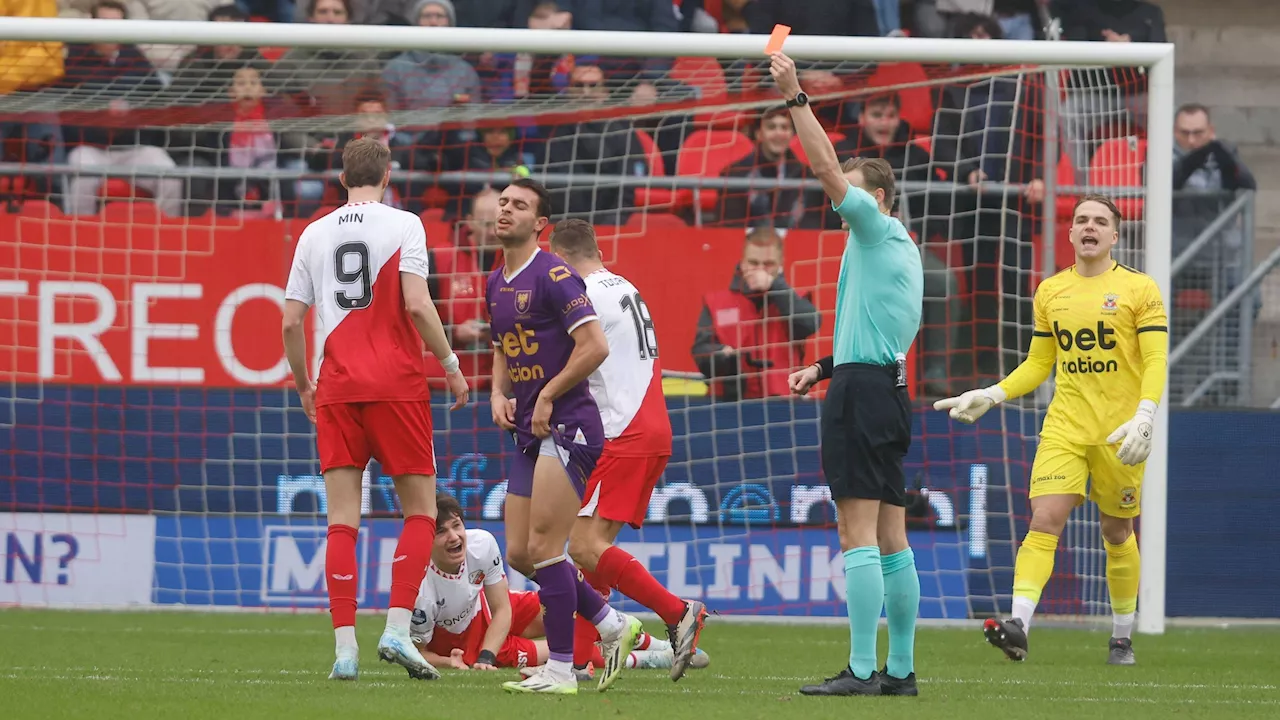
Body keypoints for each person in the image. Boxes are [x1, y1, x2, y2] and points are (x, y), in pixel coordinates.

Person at [934, 194, 1168, 666]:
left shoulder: (1140, 290)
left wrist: (1145, 414)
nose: (1090, 226)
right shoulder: (1050, 291)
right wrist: (993, 393)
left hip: (1121, 432)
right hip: (1064, 426)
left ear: (1115, 236)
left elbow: (1157, 359)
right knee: (1044, 520)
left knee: (1117, 530)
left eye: (1100, 221)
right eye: (1081, 219)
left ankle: (1122, 636)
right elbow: (1040, 362)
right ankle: (1019, 624)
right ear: (1070, 232)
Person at [281, 136, 470, 681]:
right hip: (397, 384)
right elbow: (416, 302)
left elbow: (292, 322)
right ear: (388, 177)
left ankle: (345, 650)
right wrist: (451, 363)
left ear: (342, 180)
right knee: (420, 512)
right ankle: (394, 629)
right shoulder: (405, 224)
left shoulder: (313, 233)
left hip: (336, 386)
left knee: (342, 521)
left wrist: (303, 386)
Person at [770, 51, 924, 697]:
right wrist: (823, 366)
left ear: (878, 197)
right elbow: (882, 337)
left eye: (855, 193)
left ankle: (861, 670)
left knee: (854, 529)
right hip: (882, 384)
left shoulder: (875, 229)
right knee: (892, 534)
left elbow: (826, 168)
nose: (841, 202)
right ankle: (902, 671)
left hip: (863, 396)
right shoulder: (896, 252)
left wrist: (794, 94)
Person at [485, 178, 643, 695]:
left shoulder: (555, 275)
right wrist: (496, 393)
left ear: (540, 225)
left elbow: (594, 345)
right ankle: (614, 625)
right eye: (504, 202)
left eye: (520, 206)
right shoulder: (495, 281)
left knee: (547, 547)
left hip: (570, 424)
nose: (506, 210)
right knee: (520, 552)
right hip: (530, 428)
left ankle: (562, 670)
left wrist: (549, 393)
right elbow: (503, 346)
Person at [547, 218, 709, 682]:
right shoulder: (624, 287)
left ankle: (677, 612)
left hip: (624, 431)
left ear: (561, 259)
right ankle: (577, 659)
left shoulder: (586, 297)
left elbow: (569, 359)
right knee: (592, 550)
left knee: (582, 546)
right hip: (651, 427)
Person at [413, 493, 709, 676]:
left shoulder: (481, 544)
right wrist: (449, 662)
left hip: (491, 613)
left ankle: (660, 641)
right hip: (469, 646)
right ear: (427, 540)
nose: (454, 536)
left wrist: (487, 654)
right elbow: (415, 651)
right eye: (442, 532)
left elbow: (502, 608)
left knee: (567, 605)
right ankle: (656, 659)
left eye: (457, 526)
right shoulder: (421, 592)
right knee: (563, 649)